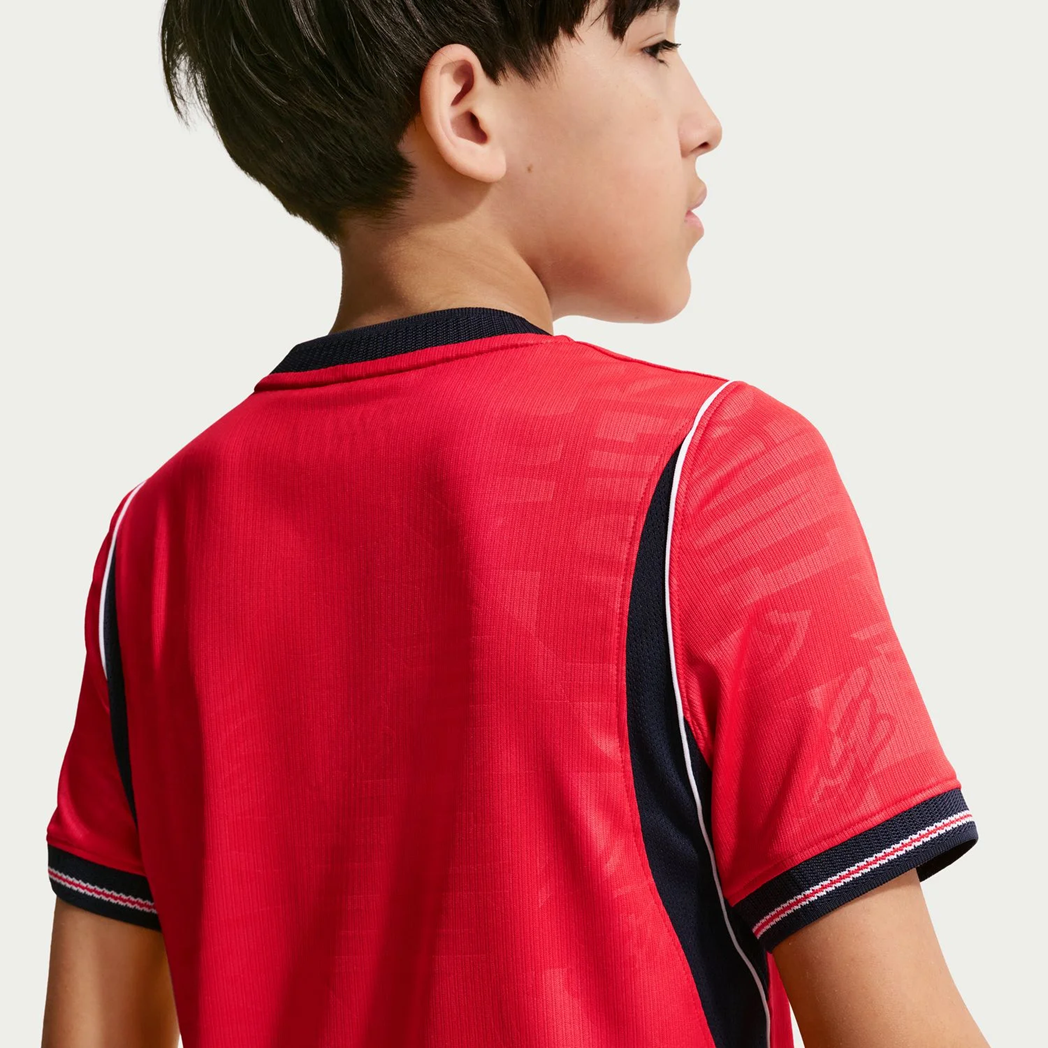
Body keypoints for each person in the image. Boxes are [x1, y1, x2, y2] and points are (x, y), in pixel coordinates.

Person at [41, 2, 989, 1046]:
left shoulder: (155, 538)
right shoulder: (713, 473)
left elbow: (92, 1028)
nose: (704, 120)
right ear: (466, 112)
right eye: (655, 48)